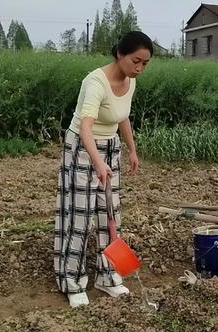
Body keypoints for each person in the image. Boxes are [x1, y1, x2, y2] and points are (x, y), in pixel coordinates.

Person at [53, 31, 153, 308]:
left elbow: (122, 117)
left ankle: (108, 277)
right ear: (120, 54)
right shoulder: (95, 81)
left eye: (145, 64)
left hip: (111, 146)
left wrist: (131, 149)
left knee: (111, 215)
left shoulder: (130, 82)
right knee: (81, 216)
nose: (140, 68)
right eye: (136, 61)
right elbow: (85, 126)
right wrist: (97, 162)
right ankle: (71, 282)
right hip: (83, 148)